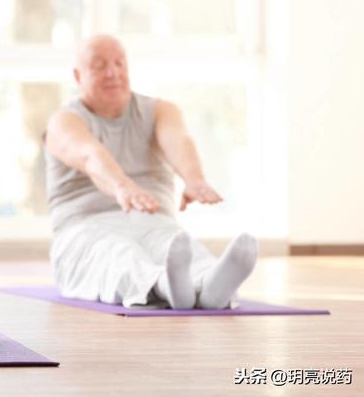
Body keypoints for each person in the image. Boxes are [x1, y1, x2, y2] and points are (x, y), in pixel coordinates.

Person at [44, 34, 258, 310]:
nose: (113, 73)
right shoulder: (64, 120)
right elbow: (90, 156)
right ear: (77, 75)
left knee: (173, 243)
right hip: (84, 227)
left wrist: (194, 179)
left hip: (150, 218)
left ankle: (210, 285)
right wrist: (122, 186)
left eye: (120, 63)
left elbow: (178, 141)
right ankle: (167, 285)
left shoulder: (160, 110)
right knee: (116, 253)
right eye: (99, 66)